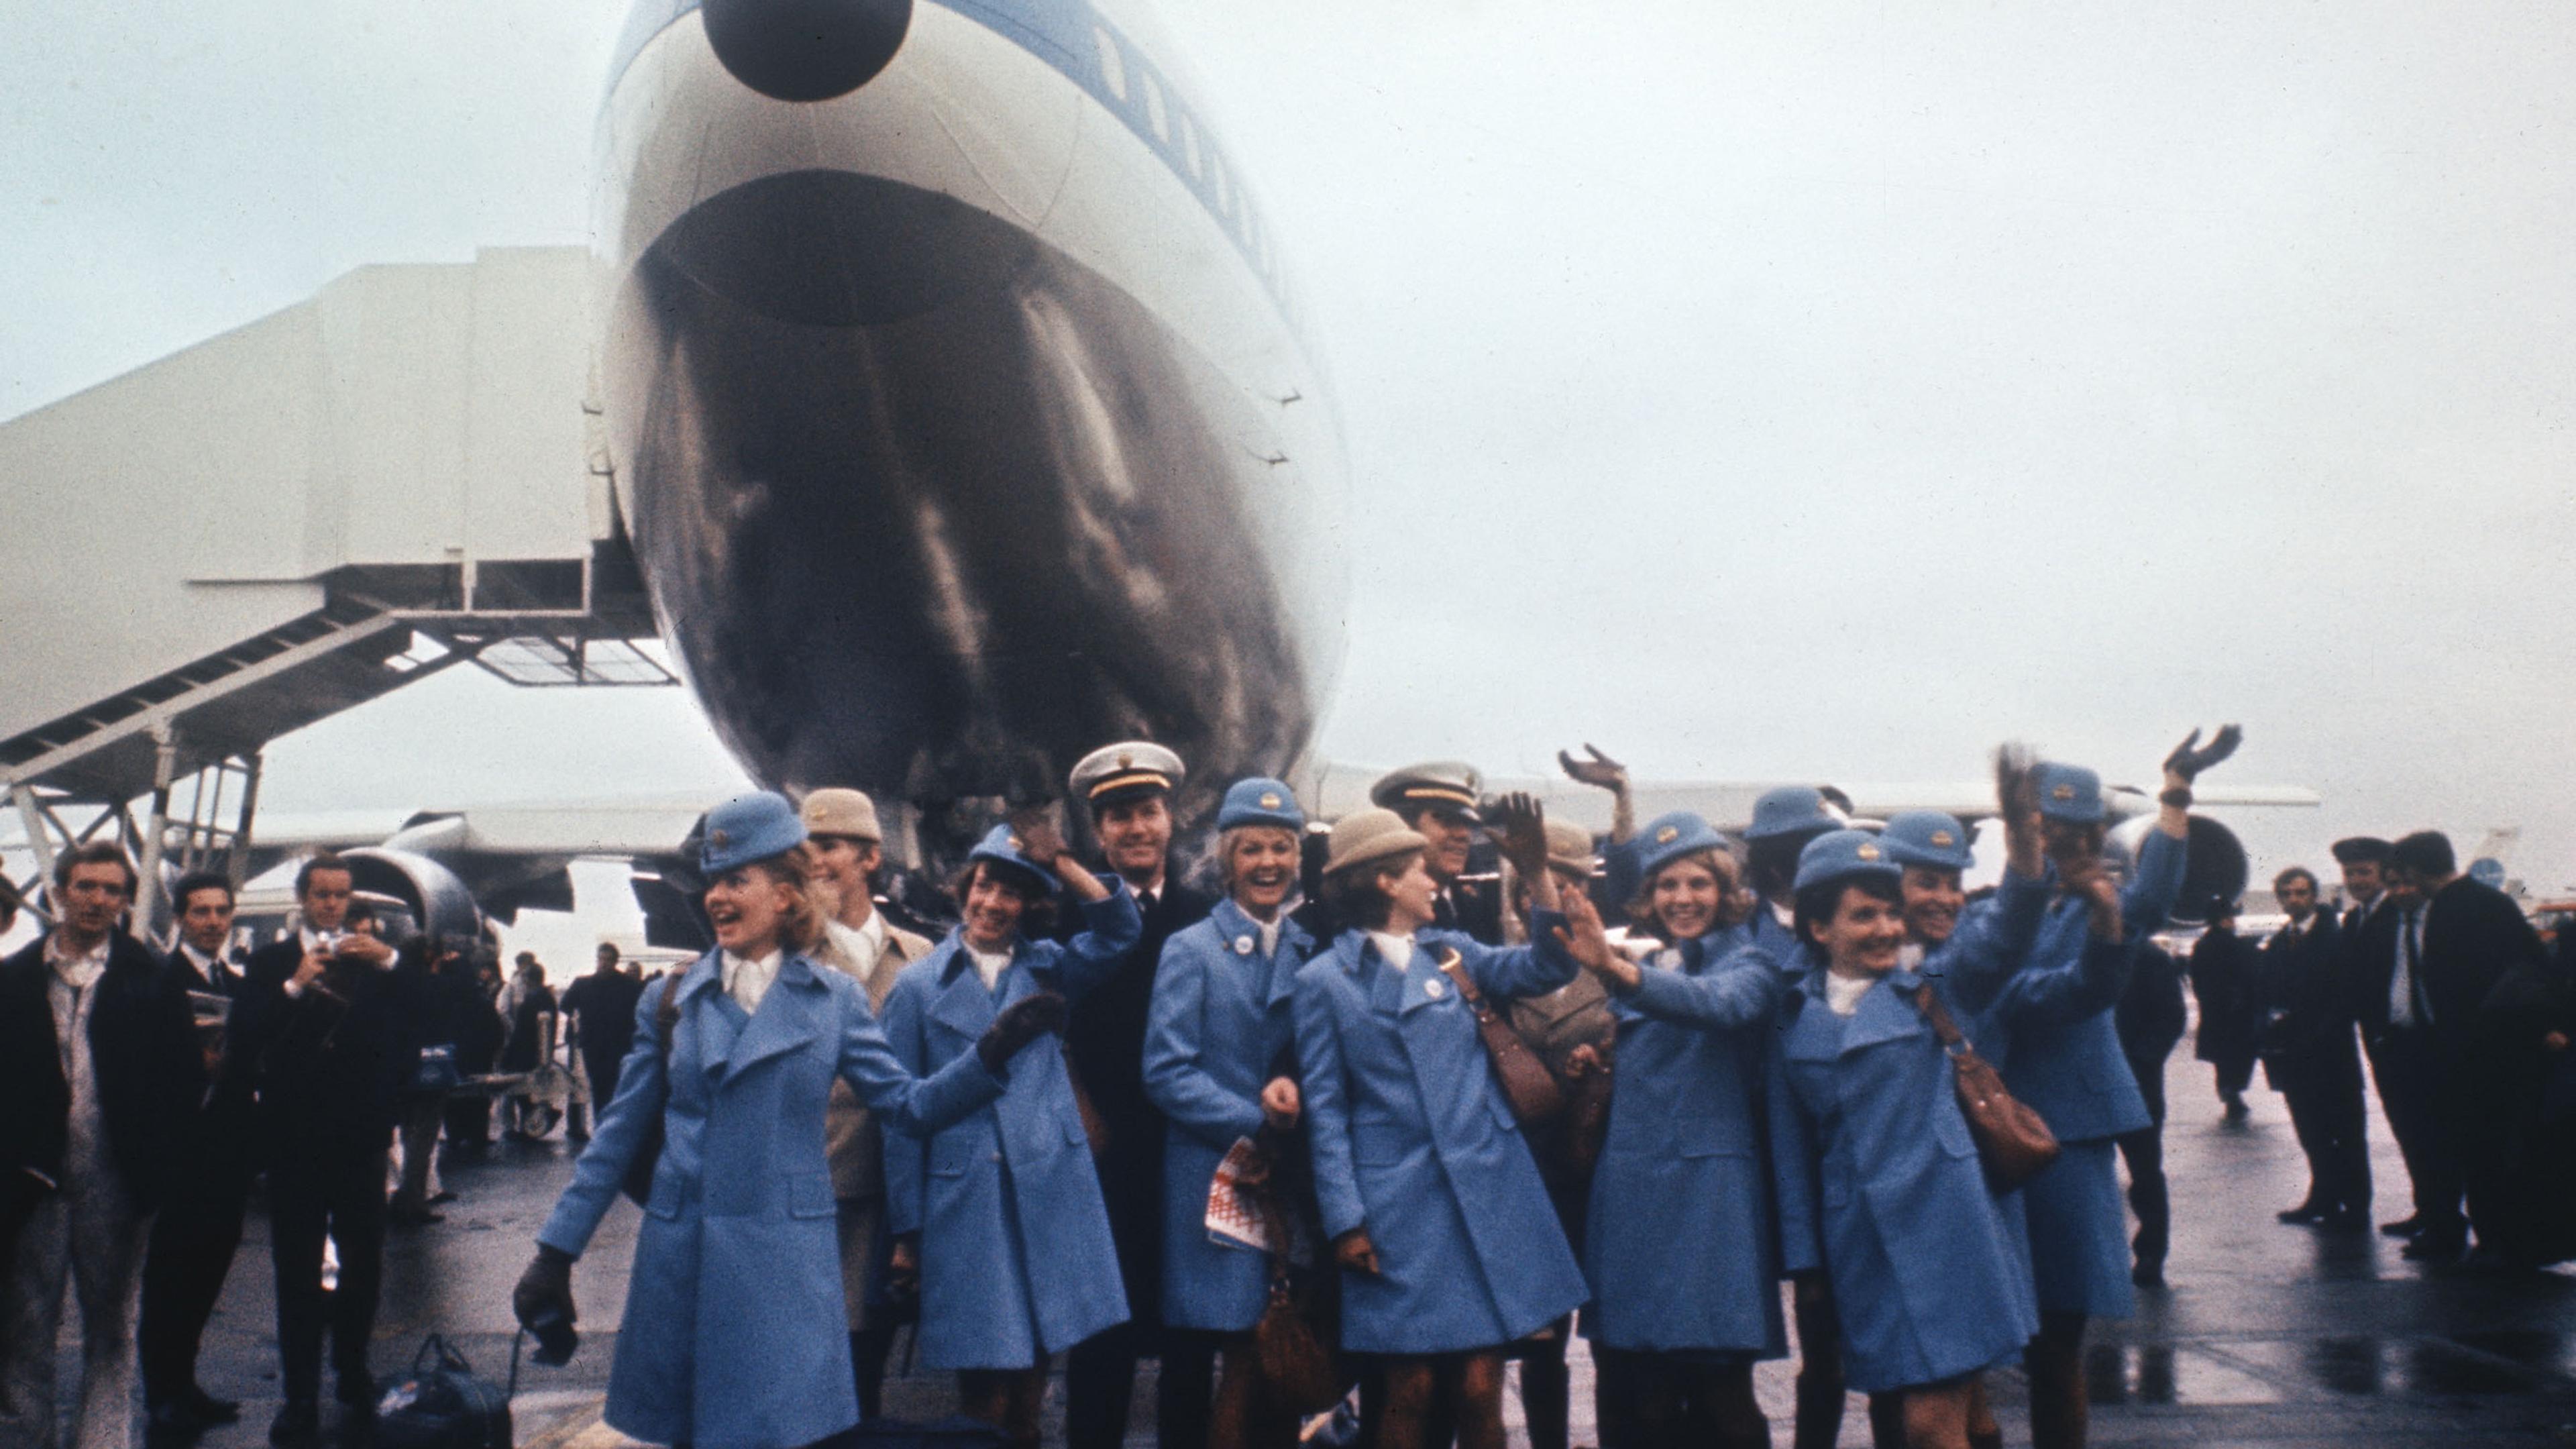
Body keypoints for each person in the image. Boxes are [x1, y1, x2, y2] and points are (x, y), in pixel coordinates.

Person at [510, 793, 1047, 1449]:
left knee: (784, 1437)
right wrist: (554, 1253)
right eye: (713, 881)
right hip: (683, 1269)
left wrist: (986, 1058)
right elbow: (616, 1136)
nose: (717, 897)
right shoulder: (671, 999)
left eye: (738, 880)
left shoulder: (836, 1001)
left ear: (787, 896)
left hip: (787, 1273)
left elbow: (907, 1108)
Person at [1768, 828, 2125, 1449]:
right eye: (1863, 915)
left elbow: (2008, 930)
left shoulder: (1938, 985)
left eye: (1889, 912)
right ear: (1819, 929)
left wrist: (2023, 845)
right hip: (1860, 1247)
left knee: (1929, 1422)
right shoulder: (1792, 1013)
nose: (1884, 928)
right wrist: (1807, 1265)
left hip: (1950, 1235)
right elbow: (1793, 1152)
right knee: (1927, 1421)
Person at [1293, 802, 1595, 1449]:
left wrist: (1536, 870)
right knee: (1411, 1391)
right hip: (1397, 1211)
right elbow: (1326, 1111)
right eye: (1418, 871)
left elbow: (1553, 965)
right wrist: (1345, 1220)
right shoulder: (1323, 982)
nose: (1435, 882)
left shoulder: (1453, 954)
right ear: (1384, 881)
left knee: (1481, 1388)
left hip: (1486, 1199)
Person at [1949, 735, 2216, 1449]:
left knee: (2059, 1336)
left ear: (2098, 835)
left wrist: (2175, 793)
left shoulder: (2113, 907)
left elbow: (2153, 897)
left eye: (2076, 831)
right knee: (1980, 1328)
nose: (2062, 842)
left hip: (2071, 1130)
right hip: (1986, 1127)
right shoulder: (1990, 913)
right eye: (2044, 828)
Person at [879, 818, 1145, 1449]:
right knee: (984, 1391)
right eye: (985, 886)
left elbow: (1120, 929)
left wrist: (1065, 864)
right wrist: (907, 1234)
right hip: (967, 1204)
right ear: (965, 887)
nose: (993, 904)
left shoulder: (1051, 968)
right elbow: (900, 1116)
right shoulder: (916, 988)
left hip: (1047, 1196)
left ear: (1031, 905)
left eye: (1012, 893)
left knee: (1030, 1385)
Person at [1581, 812, 1781, 1449]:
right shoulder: (1653, 957)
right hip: (1635, 1196)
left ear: (1725, 890)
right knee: (1644, 1393)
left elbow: (1720, 1005)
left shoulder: (1750, 960)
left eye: (1698, 883)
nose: (1682, 899)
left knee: (1723, 1393)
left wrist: (1623, 974)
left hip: (1708, 1204)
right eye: (1667, 886)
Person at [0, 843, 201, 1449]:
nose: (98, 900)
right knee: (25, 1328)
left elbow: (182, 1081)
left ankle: (103, 1441)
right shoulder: (14, 980)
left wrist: (155, 1172)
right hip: (35, 1184)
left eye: (113, 890)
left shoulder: (150, 978)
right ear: (58, 892)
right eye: (86, 886)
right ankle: (29, 1438)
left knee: (112, 1327)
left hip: (117, 1181)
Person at [1141, 778, 1316, 1449]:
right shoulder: (1190, 950)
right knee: (1197, 1350)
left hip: (1281, 1183)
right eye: (1251, 850)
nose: (1268, 863)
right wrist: (1257, 1121)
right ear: (1226, 860)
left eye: (1281, 847)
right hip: (1211, 1178)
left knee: (1273, 1350)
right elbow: (1165, 1071)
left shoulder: (1308, 949)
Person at [1058, 743, 1219, 1449]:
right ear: (1099, 835)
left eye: (1147, 812)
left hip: (1187, 1142)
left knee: (1190, 1330)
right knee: (1104, 1329)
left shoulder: (1207, 916)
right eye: (1118, 818)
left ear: (1170, 820)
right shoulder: (1064, 917)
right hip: (1104, 1144)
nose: (1136, 830)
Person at [230, 854, 419, 1445]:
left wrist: (390, 958)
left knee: (364, 1262)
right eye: (321, 895)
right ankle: (300, 1393)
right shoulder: (270, 964)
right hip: (295, 1139)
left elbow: (424, 1016)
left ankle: (353, 1371)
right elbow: (247, 1035)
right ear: (303, 899)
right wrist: (295, 985)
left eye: (340, 895)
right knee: (297, 1268)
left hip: (361, 1136)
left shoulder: (375, 965)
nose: (332, 905)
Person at [799, 788, 934, 1419]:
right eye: (805, 850)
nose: (814, 861)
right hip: (815, 1189)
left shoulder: (921, 959)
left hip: (894, 1193)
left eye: (828, 847)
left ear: (871, 859)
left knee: (871, 1356)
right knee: (815, 1359)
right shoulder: (788, 959)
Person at [1732, 785, 1849, 1449]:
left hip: (1817, 1139)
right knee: (1742, 1328)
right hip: (1753, 1143)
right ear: (1778, 863)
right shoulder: (1738, 933)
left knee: (1823, 1321)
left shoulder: (1838, 926)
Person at [1502, 820, 1622, 1449]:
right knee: (1540, 1342)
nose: (1550, 897)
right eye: (1536, 886)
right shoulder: (1497, 971)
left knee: (1609, 1338)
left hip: (1599, 1171)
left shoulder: (1615, 970)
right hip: (1529, 1176)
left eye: (1569, 883)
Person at [2387, 830, 2554, 1265]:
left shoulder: (2450, 911)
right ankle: (2506, 1240)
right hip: (2500, 1052)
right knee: (2497, 1152)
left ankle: (2498, 1242)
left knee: (2483, 1154)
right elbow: (2534, 967)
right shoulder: (2491, 903)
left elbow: (2463, 988)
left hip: (2477, 1057)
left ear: (2417, 870)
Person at [139, 872, 258, 1438]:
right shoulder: (160, 981)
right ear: (181, 918)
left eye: (221, 911)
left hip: (229, 1154)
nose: (212, 921)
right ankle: (162, 1391)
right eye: (201, 911)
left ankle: (185, 1383)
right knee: (170, 1279)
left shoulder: (235, 982)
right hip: (182, 1154)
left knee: (209, 1273)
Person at [2255, 867, 2368, 1230]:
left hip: (2329, 1055)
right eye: (2287, 893)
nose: (2294, 900)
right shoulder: (2281, 940)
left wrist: (2314, 1034)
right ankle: (2323, 1198)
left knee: (2345, 1133)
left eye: (2301, 893)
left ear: (2315, 895)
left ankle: (2354, 1206)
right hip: (2293, 1058)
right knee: (2312, 1133)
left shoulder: (2335, 938)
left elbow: (2344, 997)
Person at [2331, 836, 2427, 1241]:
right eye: (2350, 874)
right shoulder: (2355, 919)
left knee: (2424, 1129)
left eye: (2365, 872)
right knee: (2405, 1127)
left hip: (2411, 1041)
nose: (2357, 880)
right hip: (2379, 1042)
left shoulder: (2399, 914)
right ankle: (2427, 1208)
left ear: (2384, 875)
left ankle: (2439, 1214)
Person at [2111, 938, 2187, 1288]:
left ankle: (2151, 1253)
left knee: (2145, 1174)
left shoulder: (2147, 956)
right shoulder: (2069, 948)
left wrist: (2141, 1061)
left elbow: (2172, 1016)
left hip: (2135, 1084)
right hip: (2084, 1083)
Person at [1368, 761, 1505, 945]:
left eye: (1467, 824)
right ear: (1407, 828)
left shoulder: (1476, 907)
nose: (1463, 834)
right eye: (1448, 821)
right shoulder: (1381, 913)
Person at [2187, 900, 2261, 1122]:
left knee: (2223, 1059)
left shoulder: (2201, 946)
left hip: (2214, 1013)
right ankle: (2234, 1093)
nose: (2233, 922)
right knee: (2240, 1057)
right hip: (2239, 1014)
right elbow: (2251, 976)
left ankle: (2230, 1093)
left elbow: (2196, 979)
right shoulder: (2237, 946)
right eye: (2229, 918)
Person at [559, 943, 642, 1142]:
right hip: (595, 1047)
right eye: (601, 959)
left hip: (617, 1046)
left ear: (615, 962)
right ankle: (603, 1130)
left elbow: (640, 1013)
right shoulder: (584, 984)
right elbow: (564, 1005)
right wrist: (578, 1022)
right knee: (599, 1088)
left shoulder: (629, 986)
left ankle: (610, 1130)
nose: (603, 964)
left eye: (607, 960)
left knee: (615, 1088)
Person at [496, 953, 559, 1139]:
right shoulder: (549, 999)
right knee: (525, 1091)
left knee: (511, 1089)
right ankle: (531, 1122)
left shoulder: (529, 1001)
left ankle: (513, 1127)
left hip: (523, 1054)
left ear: (527, 979)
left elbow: (519, 1033)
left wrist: (507, 1055)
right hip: (541, 1053)